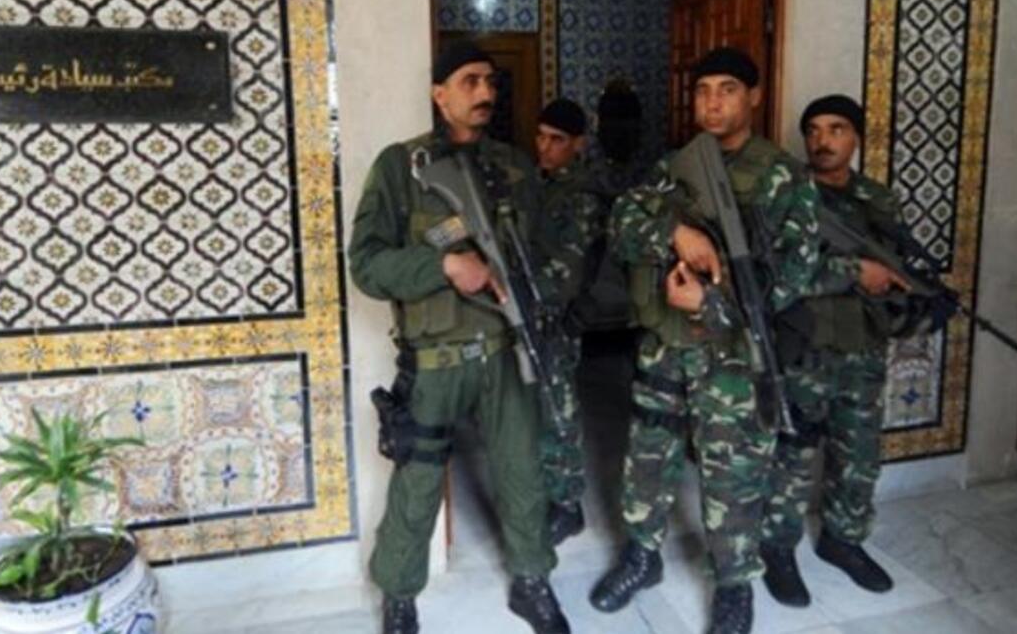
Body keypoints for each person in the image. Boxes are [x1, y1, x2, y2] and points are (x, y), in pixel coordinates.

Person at [591, 47, 831, 634]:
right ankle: (641, 556)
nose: (713, 102)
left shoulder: (783, 177)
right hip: (666, 346)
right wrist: (675, 232)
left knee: (734, 474)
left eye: (727, 89)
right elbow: (621, 223)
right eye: (702, 91)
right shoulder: (673, 165)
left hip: (732, 357)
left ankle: (733, 584)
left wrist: (710, 303)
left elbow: (794, 277)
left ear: (754, 96)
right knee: (648, 457)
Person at [348, 40, 571, 634]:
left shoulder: (516, 167)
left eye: (491, 82)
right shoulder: (401, 167)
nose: (485, 92)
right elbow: (365, 264)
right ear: (438, 93)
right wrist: (444, 265)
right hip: (436, 356)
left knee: (523, 471)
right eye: (470, 81)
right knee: (419, 476)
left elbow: (545, 254)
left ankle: (532, 581)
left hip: (506, 349)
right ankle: (400, 594)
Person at [760, 94, 907, 607]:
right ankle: (777, 548)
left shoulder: (878, 200)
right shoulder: (787, 194)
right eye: (814, 130)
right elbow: (776, 275)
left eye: (836, 129)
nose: (823, 140)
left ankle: (843, 540)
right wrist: (852, 272)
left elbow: (894, 270)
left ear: (856, 137)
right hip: (807, 346)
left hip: (863, 347)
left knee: (859, 452)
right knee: (793, 455)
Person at [533, 98, 604, 545]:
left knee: (557, 409)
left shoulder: (583, 196)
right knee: (536, 406)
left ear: (578, 144)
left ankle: (568, 504)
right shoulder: (540, 184)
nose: (545, 147)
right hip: (534, 311)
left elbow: (568, 271)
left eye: (556, 140)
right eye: (540, 137)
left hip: (558, 315)